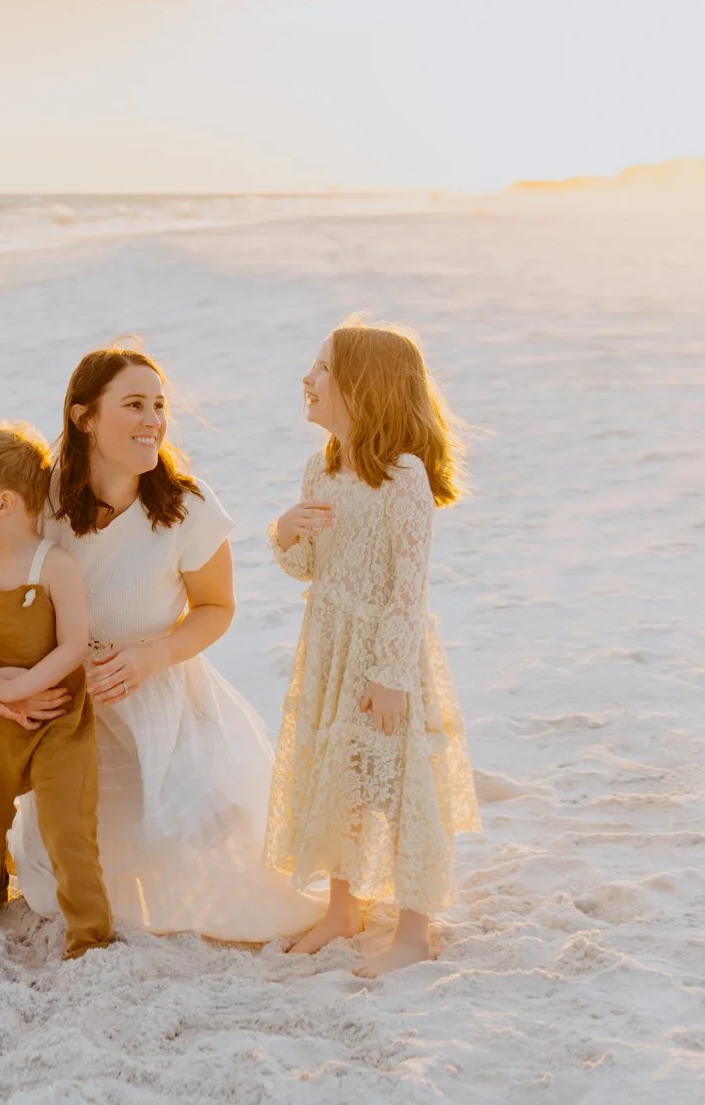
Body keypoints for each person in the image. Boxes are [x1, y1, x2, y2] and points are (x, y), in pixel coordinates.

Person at [0, 345, 325, 942]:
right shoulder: (43, 501)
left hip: (159, 689)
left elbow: (217, 609)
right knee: (62, 883)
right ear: (84, 417)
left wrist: (151, 656)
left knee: (217, 852)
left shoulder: (188, 507)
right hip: (67, 701)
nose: (154, 420)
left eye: (160, 405)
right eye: (135, 404)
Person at [264, 318, 481, 977]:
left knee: (400, 776)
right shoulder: (320, 469)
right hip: (330, 646)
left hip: (387, 656)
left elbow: (407, 587)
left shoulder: (404, 477)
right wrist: (285, 532)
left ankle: (415, 928)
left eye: (323, 368)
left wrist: (390, 673)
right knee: (342, 777)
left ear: (364, 387)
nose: (308, 378)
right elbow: (306, 569)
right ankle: (343, 907)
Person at [0, 423, 112, 959]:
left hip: (59, 715)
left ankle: (89, 934)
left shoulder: (55, 565)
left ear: (5, 503)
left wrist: (23, 688)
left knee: (67, 828)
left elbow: (72, 646)